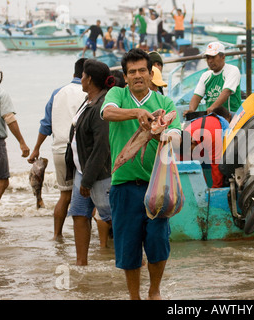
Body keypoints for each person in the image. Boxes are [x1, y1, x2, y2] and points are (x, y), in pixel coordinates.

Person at [101, 49, 181, 300]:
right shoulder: (117, 94)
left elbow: (178, 135)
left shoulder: (163, 102)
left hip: (156, 186)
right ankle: (134, 295)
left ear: (151, 73)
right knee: (128, 246)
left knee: (158, 240)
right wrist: (136, 113)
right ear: (125, 76)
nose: (137, 76)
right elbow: (107, 113)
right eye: (132, 72)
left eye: (142, 71)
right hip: (123, 185)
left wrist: (165, 134)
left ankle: (154, 291)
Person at [28, 58, 87, 240]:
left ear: (73, 74)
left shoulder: (57, 92)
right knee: (87, 195)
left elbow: (46, 124)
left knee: (65, 195)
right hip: (82, 151)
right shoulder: (90, 92)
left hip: (59, 149)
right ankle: (89, 239)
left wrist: (36, 148)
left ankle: (57, 235)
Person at [65, 59, 115, 265]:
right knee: (78, 214)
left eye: (83, 75)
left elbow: (101, 147)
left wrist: (88, 179)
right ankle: (81, 263)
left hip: (98, 174)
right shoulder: (89, 100)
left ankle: (134, 259)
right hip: (81, 169)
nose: (81, 79)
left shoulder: (101, 106)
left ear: (90, 80)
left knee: (113, 217)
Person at [0, 61, 30, 220]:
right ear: (0, 76)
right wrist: (21, 141)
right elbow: (9, 119)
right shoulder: (1, 93)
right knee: (2, 182)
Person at [183, 42, 241, 117]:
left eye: (213, 57)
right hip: (212, 116)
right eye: (208, 58)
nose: (210, 61)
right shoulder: (205, 76)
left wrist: (213, 107)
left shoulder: (232, 70)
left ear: (223, 57)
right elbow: (197, 96)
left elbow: (226, 92)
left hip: (231, 116)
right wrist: (191, 110)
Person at [182, 107, 231, 188]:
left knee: (224, 166)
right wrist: (202, 188)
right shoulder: (184, 139)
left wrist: (215, 188)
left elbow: (216, 164)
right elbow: (193, 168)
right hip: (201, 136)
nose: (190, 154)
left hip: (217, 133)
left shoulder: (212, 136)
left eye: (190, 151)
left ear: (193, 141)